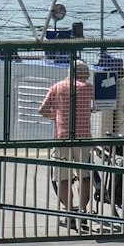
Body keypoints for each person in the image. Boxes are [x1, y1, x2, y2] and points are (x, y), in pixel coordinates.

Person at [38, 60, 97, 219]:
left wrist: (56, 117)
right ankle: (83, 212)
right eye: (86, 73)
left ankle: (70, 213)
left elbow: (42, 110)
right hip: (83, 138)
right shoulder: (89, 88)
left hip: (62, 136)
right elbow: (100, 104)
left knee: (63, 178)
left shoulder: (56, 87)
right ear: (83, 73)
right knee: (84, 176)